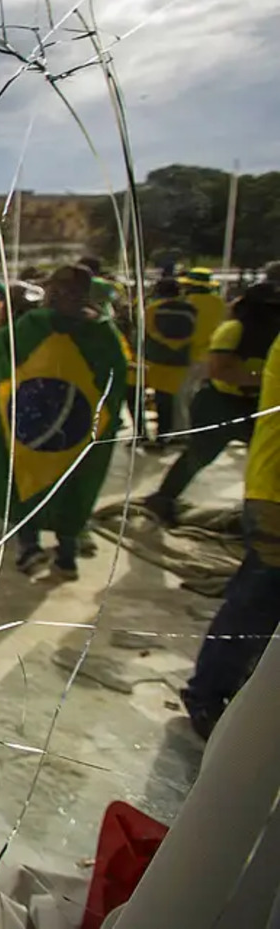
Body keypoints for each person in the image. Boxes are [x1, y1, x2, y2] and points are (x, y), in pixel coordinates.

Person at [0, 265, 127, 579]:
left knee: (24, 483)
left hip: (29, 427)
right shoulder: (102, 331)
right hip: (76, 431)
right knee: (70, 486)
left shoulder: (31, 325)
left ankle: (30, 549)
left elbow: (0, 354)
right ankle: (66, 557)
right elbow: (116, 377)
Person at [178, 331, 280, 739]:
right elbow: (224, 367)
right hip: (274, 495)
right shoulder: (235, 329)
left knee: (257, 599)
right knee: (257, 602)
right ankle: (208, 695)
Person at [142, 282, 278, 525]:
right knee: (198, 455)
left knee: (265, 461)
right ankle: (162, 499)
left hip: (253, 404)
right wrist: (265, 378)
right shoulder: (235, 329)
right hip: (219, 404)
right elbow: (218, 370)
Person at [141, 278, 196, 450]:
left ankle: (150, 436)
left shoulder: (151, 309)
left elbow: (146, 331)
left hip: (156, 360)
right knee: (169, 399)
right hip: (180, 361)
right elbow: (195, 333)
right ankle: (164, 435)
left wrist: (162, 342)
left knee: (155, 398)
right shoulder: (192, 309)